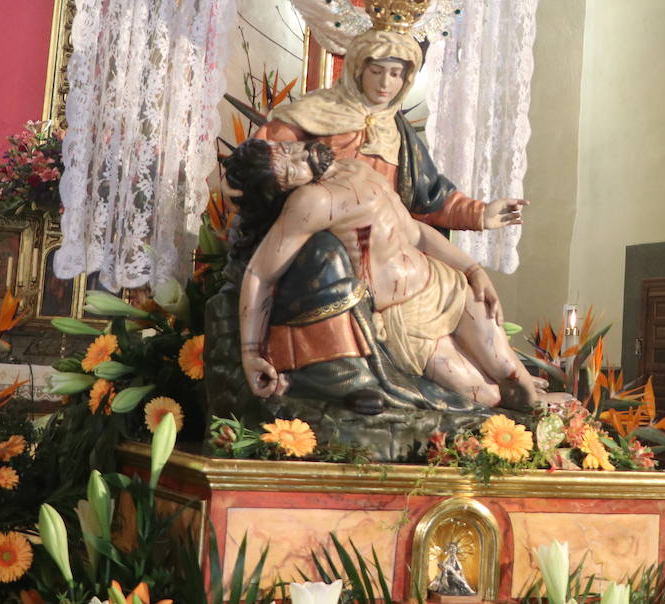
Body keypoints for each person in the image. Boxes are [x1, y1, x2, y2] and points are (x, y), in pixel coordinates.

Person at [233, 137, 563, 410]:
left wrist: (473, 269)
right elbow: (260, 274)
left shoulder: (356, 167)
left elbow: (415, 233)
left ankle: (546, 407)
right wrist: (250, 354)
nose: (300, 153)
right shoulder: (312, 202)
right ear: (286, 192)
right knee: (486, 396)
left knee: (508, 369)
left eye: (287, 148)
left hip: (443, 286)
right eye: (290, 169)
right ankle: (538, 414)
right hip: (408, 320)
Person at [256, 28, 526, 231]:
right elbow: (260, 163)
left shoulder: (399, 134)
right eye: (376, 71)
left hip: (385, 241)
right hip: (316, 235)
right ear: (358, 70)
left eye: (396, 74)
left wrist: (480, 214)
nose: (385, 82)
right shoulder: (315, 112)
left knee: (462, 293)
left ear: (406, 79)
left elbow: (430, 197)